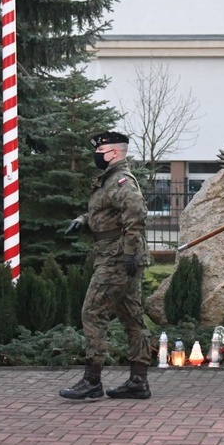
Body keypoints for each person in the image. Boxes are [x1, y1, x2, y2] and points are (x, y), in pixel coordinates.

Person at [59, 131, 152, 400]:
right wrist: (82, 220)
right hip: (115, 255)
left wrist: (130, 254)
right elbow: (103, 211)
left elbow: (136, 216)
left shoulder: (122, 181)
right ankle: (138, 381)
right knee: (131, 317)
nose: (96, 155)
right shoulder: (109, 181)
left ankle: (92, 381)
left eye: (100, 151)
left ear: (113, 153)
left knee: (92, 313)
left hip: (117, 258)